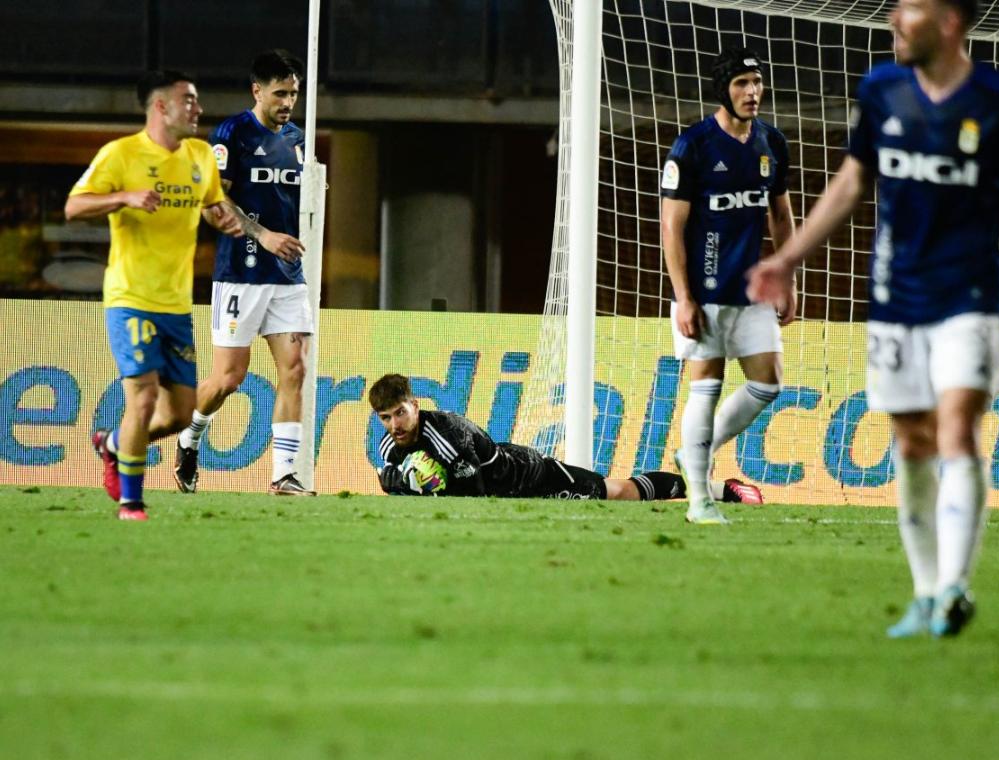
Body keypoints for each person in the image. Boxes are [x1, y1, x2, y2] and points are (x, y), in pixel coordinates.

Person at [747, 0, 999, 636]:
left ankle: (955, 586)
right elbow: (850, 183)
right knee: (912, 441)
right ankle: (927, 593)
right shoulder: (881, 91)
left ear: (951, 22)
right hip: (896, 301)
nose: (895, 20)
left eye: (910, 9)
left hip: (970, 298)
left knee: (957, 427)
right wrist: (788, 258)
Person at [68, 70, 240, 520]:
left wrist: (219, 217)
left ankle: (111, 443)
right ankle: (132, 502)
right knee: (142, 398)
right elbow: (74, 206)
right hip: (130, 297)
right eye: (189, 100)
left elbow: (211, 205)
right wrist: (123, 197)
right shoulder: (120, 154)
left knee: (181, 414)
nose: (198, 109)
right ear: (160, 106)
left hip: (176, 305)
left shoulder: (201, 156)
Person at [660, 45, 792, 526]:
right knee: (706, 390)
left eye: (756, 83)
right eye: (742, 84)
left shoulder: (771, 143)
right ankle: (699, 500)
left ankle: (698, 449)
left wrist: (786, 277)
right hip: (704, 290)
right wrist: (683, 297)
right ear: (724, 90)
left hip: (752, 289)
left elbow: (779, 213)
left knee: (768, 381)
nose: (752, 92)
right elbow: (671, 226)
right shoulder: (693, 146)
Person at [173, 49, 314, 496]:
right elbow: (215, 204)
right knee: (229, 379)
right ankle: (188, 438)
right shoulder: (231, 134)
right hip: (241, 273)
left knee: (295, 370)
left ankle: (284, 476)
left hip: (288, 278)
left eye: (293, 93)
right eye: (280, 93)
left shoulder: (299, 139)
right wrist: (265, 234)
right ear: (257, 90)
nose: (288, 101)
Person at [368, 374, 763, 503]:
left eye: (400, 413)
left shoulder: (448, 435)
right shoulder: (389, 444)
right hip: (509, 492)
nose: (395, 424)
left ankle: (719, 489)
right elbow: (390, 481)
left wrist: (425, 486)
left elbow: (475, 493)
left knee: (615, 492)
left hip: (529, 476)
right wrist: (402, 481)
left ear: (415, 405)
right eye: (386, 418)